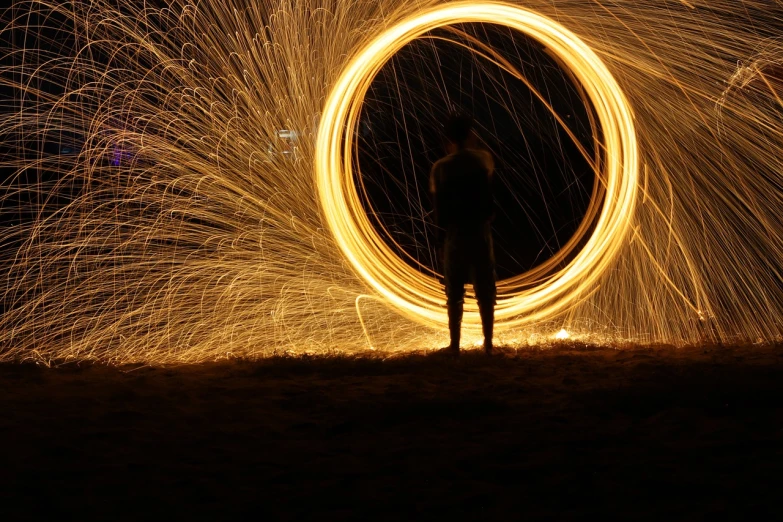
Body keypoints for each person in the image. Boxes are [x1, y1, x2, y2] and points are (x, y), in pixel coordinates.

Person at [429, 113, 496, 355]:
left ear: (448, 137)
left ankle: (455, 346)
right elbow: (488, 192)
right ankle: (488, 344)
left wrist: (439, 242)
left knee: (454, 291)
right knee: (485, 289)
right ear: (470, 134)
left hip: (455, 234)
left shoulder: (440, 168)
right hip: (480, 231)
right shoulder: (483, 159)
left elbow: (439, 210)